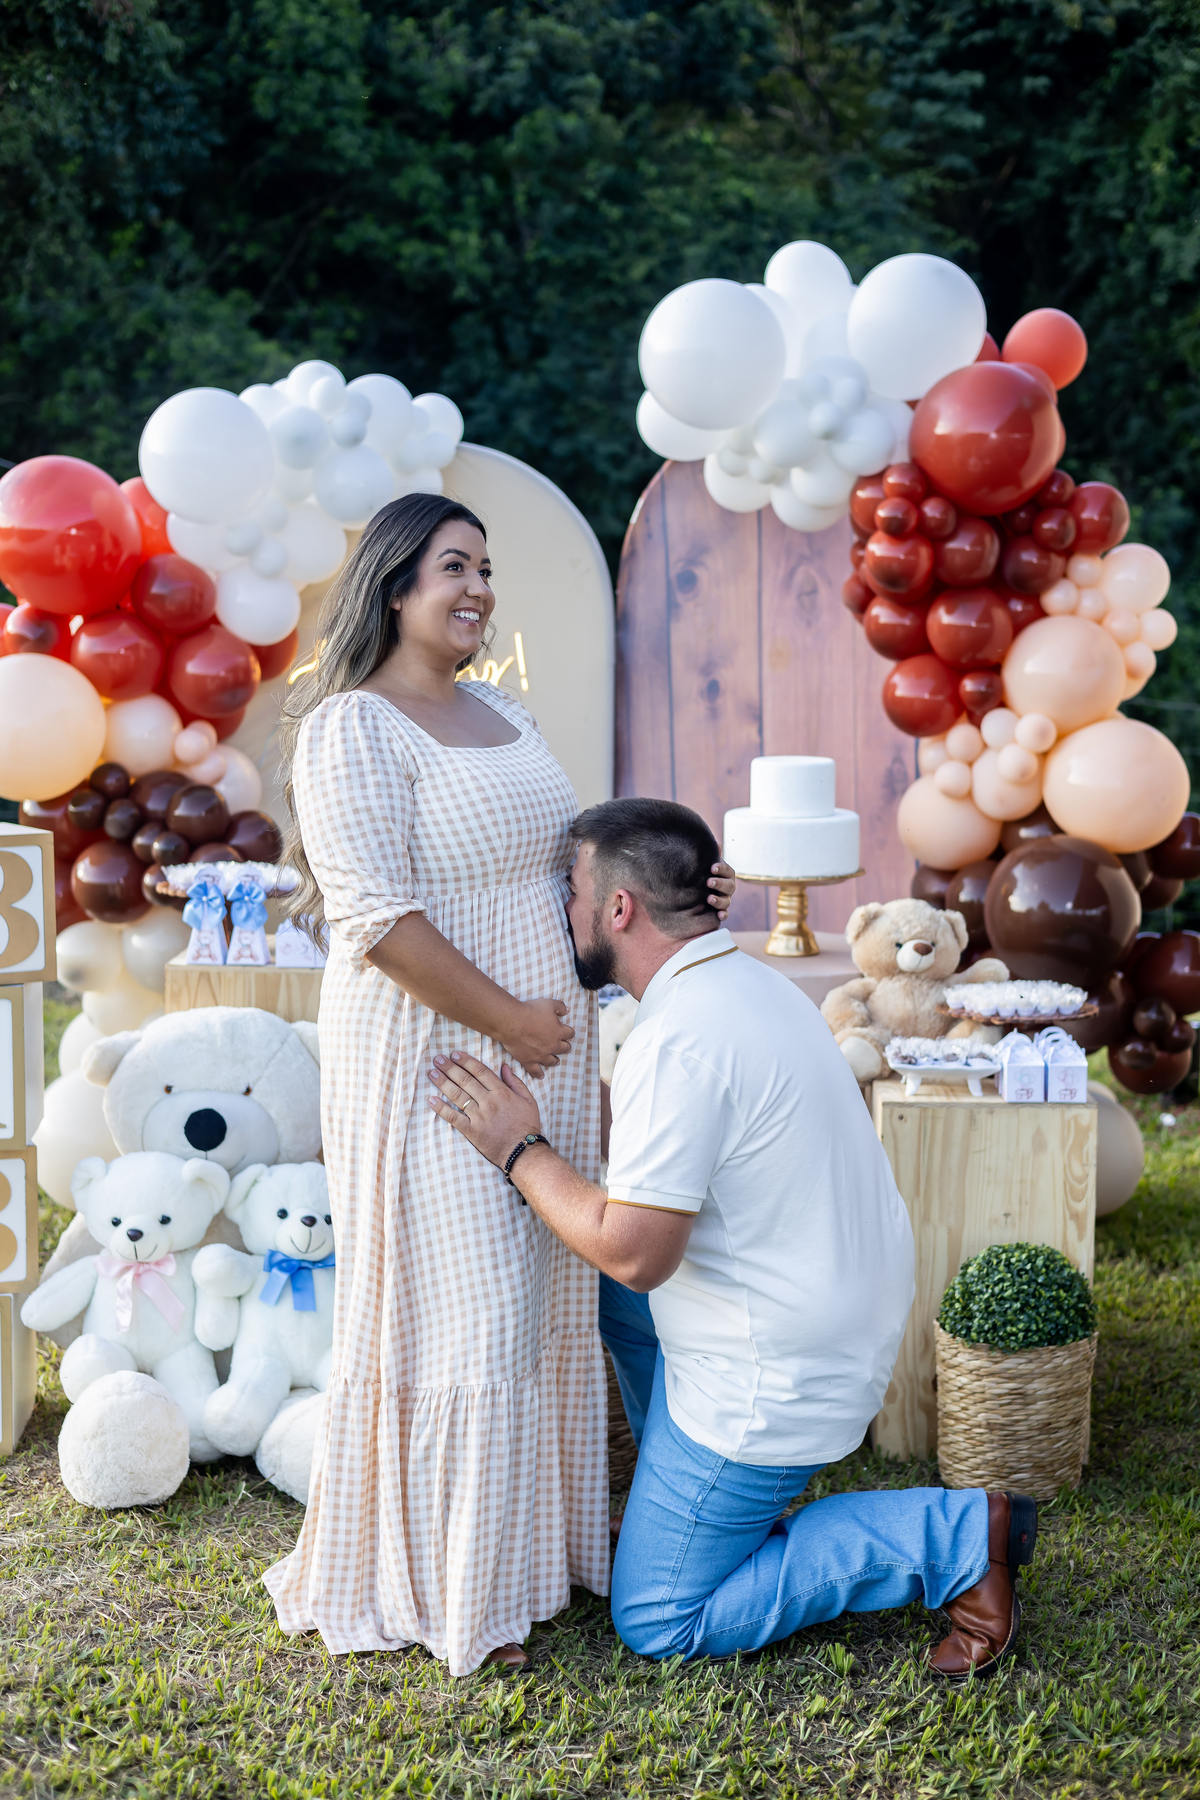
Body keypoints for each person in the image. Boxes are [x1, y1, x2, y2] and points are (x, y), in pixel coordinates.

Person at [267, 497, 735, 1676]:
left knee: (539, 1297)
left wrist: (677, 888)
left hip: (543, 1051)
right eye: (453, 567)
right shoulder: (351, 730)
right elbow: (376, 920)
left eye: (487, 568)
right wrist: (515, 1022)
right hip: (443, 1059)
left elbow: (576, 860)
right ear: (391, 587)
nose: (478, 588)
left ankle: (535, 1555)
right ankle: (453, 1586)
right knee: (469, 1303)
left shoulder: (505, 712)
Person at [426, 796, 1039, 1677]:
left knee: (660, 1616)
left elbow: (640, 1250)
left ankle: (953, 1535)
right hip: (831, 1308)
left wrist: (516, 1148)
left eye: (570, 891)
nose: (560, 912)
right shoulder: (744, 980)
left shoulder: (679, 1037)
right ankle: (674, 1502)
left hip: (779, 1375)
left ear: (620, 910)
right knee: (615, 1299)